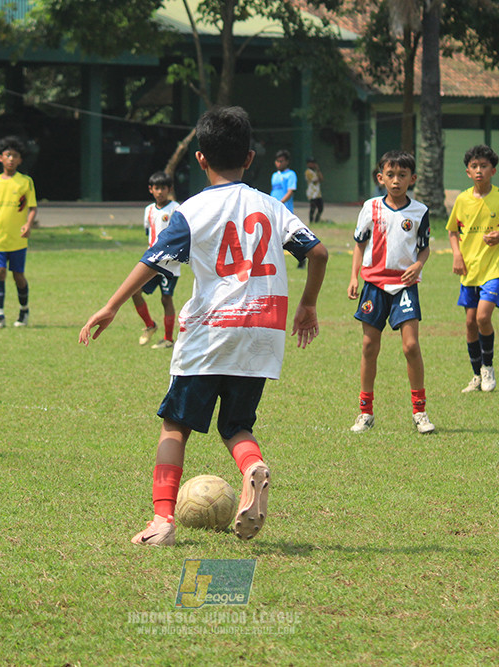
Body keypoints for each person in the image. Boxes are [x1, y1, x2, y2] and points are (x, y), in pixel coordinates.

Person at [79, 106, 328, 547]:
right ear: (250, 159)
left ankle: (163, 522)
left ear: (200, 159)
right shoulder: (271, 207)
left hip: (211, 331)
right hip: (263, 331)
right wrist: (307, 304)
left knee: (175, 426)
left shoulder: (192, 210)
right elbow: (319, 253)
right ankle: (253, 468)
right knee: (235, 426)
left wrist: (112, 305)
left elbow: (153, 261)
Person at [348, 150, 435, 435]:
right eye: (390, 175)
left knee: (410, 346)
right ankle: (365, 412)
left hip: (405, 286)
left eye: (402, 175)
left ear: (413, 178)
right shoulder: (371, 207)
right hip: (374, 284)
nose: (396, 181)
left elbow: (424, 247)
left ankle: (420, 412)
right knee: (369, 347)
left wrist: (418, 265)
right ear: (380, 177)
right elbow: (360, 243)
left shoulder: (420, 211)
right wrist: (354, 278)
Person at [447, 145, 499, 393]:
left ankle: (488, 368)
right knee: (470, 323)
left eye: (484, 166)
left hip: (495, 267)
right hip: (469, 268)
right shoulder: (462, 199)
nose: (479, 170)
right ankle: (476, 375)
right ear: (468, 172)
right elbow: (452, 231)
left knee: (482, 317)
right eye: (474, 167)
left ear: (493, 170)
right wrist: (457, 255)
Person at [0, 135, 37, 328]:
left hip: (17, 238)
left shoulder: (25, 182)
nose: (11, 159)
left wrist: (28, 225)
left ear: (20, 160)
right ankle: (0, 316)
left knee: (17, 275)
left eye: (15, 156)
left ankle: (24, 311)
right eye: (7, 155)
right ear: (0, 158)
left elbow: (32, 207)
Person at [132, 171, 180, 349]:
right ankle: (150, 325)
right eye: (156, 188)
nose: (160, 192)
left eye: (163, 188)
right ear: (150, 190)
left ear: (170, 189)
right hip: (151, 261)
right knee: (135, 292)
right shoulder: (149, 210)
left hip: (169, 263)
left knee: (166, 299)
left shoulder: (176, 208)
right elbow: (148, 232)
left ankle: (168, 339)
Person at [271, 149, 302, 268]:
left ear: (287, 162)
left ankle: (302, 256)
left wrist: (280, 202)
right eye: (277, 161)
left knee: (289, 237)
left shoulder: (291, 174)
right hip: (273, 210)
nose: (279, 163)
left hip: (285, 210)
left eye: (281, 161)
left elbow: (290, 191)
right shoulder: (274, 176)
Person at [305, 157, 324, 223]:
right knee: (313, 208)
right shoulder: (308, 172)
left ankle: (317, 220)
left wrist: (318, 169)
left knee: (320, 208)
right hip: (312, 193)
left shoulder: (315, 172)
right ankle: (311, 221)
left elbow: (321, 178)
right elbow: (314, 181)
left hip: (317, 193)